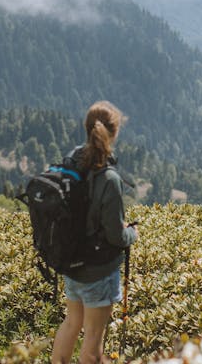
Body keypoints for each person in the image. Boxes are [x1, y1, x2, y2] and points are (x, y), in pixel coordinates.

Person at [52, 100, 139, 364]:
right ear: (115, 132)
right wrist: (132, 234)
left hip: (72, 261)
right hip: (98, 270)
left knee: (71, 323)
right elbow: (115, 235)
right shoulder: (109, 178)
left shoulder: (73, 160)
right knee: (93, 337)